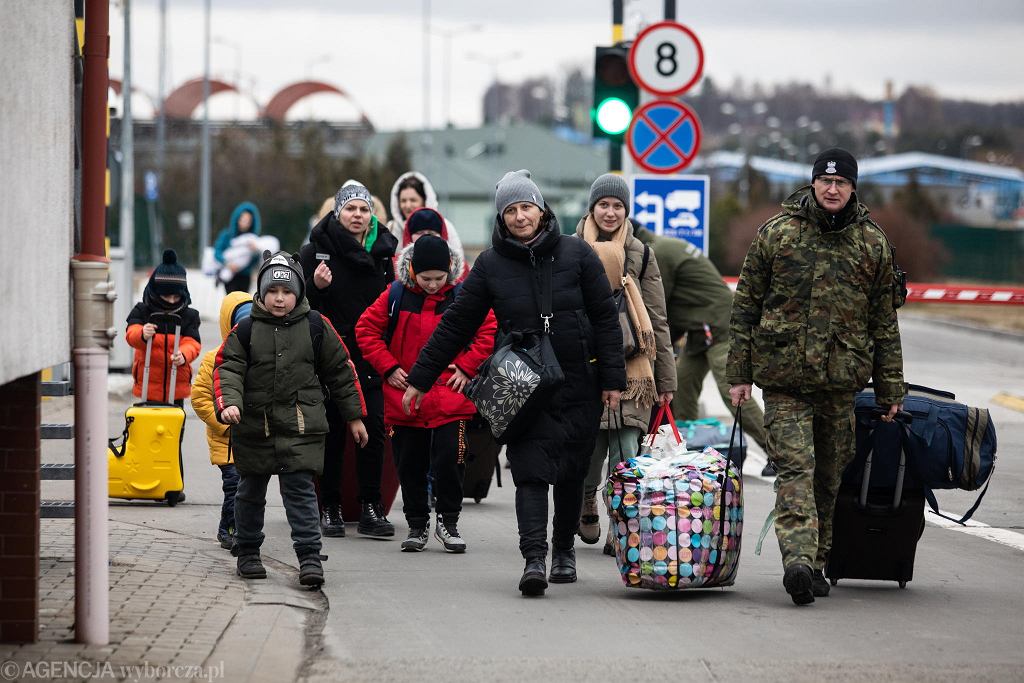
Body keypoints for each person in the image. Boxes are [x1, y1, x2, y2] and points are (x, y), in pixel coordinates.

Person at [402, 170, 625, 597]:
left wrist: (613, 378)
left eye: (526, 207)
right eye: (511, 210)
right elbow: (456, 324)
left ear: (541, 210)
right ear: (501, 217)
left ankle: (563, 551)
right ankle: (534, 559)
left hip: (579, 383)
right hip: (521, 388)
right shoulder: (490, 264)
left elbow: (604, 320)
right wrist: (421, 377)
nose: (520, 217)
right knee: (530, 473)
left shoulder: (578, 254)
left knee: (572, 473)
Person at [726, 148, 905, 606]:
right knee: (795, 468)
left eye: (841, 183)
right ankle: (798, 563)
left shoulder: (872, 243)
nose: (832, 189)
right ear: (812, 184)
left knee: (828, 474)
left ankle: (819, 561)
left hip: (840, 381)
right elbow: (746, 306)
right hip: (783, 378)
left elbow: (884, 322)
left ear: (852, 188)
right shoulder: (778, 234)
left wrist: (891, 388)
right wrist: (739, 373)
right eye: (825, 182)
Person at [214, 252, 369, 587]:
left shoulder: (315, 326)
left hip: (302, 427)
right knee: (249, 494)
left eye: (286, 292)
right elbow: (227, 369)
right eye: (272, 291)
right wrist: (229, 404)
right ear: (261, 293)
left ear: (298, 292)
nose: (279, 298)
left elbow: (341, 371)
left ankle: (310, 558)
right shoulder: (246, 329)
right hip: (255, 427)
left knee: (300, 494)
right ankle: (249, 553)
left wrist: (354, 417)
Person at [355, 235, 496, 553]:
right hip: (405, 397)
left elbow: (488, 330)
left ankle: (449, 522)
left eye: (439, 278)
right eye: (425, 278)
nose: (433, 285)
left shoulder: (463, 295)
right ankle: (417, 524)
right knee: (410, 464)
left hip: (451, 395)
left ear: (450, 270)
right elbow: (366, 330)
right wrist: (388, 368)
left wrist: (466, 366)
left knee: (451, 460)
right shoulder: (395, 296)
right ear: (412, 271)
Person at [574, 174, 676, 551]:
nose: (611, 212)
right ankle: (586, 497)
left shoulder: (642, 253)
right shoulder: (571, 249)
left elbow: (658, 318)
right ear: (592, 208)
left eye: (618, 206)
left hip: (635, 369)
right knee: (589, 451)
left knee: (626, 453)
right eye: (604, 205)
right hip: (586, 364)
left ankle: (622, 523)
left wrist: (666, 380)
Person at [298, 183, 400, 538]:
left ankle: (372, 506)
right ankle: (330, 505)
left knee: (373, 430)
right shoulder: (315, 252)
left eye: (363, 209)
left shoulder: (385, 252)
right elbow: (295, 306)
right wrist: (315, 287)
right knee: (334, 430)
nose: (357, 215)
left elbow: (394, 307)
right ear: (337, 212)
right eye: (351, 209)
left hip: (371, 354)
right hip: (331, 355)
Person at [633, 220, 773, 474]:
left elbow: (658, 306)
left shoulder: (655, 252)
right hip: (700, 328)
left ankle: (776, 453)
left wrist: (653, 347)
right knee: (682, 383)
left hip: (719, 324)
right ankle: (689, 454)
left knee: (731, 389)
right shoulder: (662, 245)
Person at [191, 290, 252, 550]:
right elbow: (200, 398)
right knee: (234, 486)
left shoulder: (259, 354)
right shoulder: (213, 357)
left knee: (247, 490)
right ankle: (231, 528)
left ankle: (233, 525)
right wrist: (224, 423)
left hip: (252, 440)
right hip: (226, 442)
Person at [125, 249, 202, 405]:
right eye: (166, 296)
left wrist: (184, 355)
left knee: (174, 426)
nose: (172, 301)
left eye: (176, 296)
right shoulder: (142, 310)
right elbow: (131, 334)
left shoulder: (189, 315)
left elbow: (193, 343)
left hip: (177, 385)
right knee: (148, 425)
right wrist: (142, 334)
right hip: (148, 384)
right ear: (155, 292)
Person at [387, 171, 466, 264]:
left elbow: (457, 262)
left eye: (413, 200)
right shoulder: (391, 228)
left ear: (425, 201)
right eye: (403, 201)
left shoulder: (444, 226)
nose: (407, 205)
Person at [398, 207, 470, 281]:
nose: (425, 236)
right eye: (419, 233)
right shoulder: (397, 265)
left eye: (431, 233)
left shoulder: (460, 267)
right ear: (409, 235)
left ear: (442, 235)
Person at [213, 202, 263, 293]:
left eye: (248, 221)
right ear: (237, 219)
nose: (245, 223)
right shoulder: (226, 235)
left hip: (245, 276)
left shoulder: (253, 239)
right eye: (243, 219)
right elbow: (217, 252)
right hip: (230, 274)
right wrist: (227, 264)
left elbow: (255, 260)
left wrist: (255, 251)